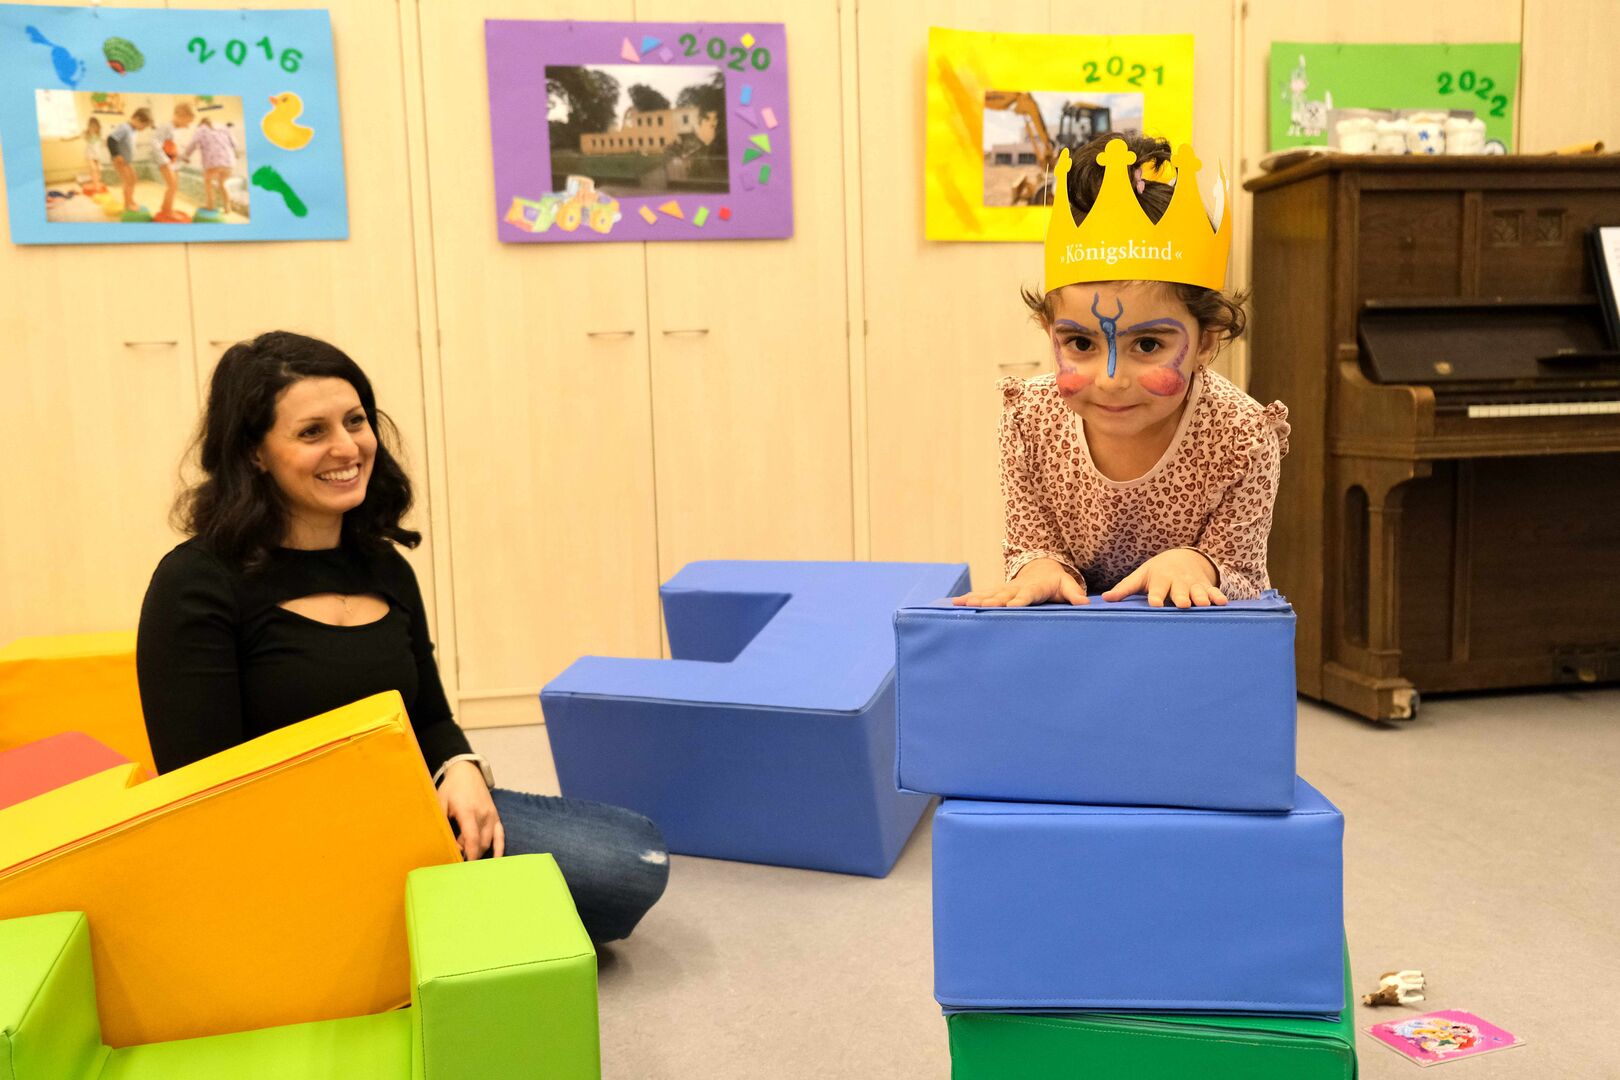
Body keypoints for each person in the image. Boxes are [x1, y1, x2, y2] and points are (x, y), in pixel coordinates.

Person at [137, 331, 669, 943]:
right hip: (286, 846)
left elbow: (429, 716)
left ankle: (412, 924)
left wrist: (461, 769)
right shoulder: (197, 581)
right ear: (255, 453)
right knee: (605, 873)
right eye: (312, 432)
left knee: (633, 856)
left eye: (355, 421)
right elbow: (203, 791)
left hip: (406, 810)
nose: (347, 447)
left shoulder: (383, 566)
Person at [954, 131, 1289, 611]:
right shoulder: (1029, 420)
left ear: (1206, 341)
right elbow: (1032, 544)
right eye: (1080, 343)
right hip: (1079, 635)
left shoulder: (1243, 436)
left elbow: (1242, 571)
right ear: (1049, 331)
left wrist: (1196, 564)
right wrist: (1039, 568)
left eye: (1148, 344)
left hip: (1189, 636)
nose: (1111, 379)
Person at [181, 116, 237, 213]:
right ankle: (227, 207)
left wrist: (186, 156)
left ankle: (210, 205)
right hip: (229, 162)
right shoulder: (223, 128)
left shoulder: (200, 130)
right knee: (222, 184)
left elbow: (192, 144)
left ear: (201, 124)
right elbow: (235, 144)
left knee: (208, 182)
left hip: (213, 162)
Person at [106, 109, 146, 211]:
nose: (143, 129)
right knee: (128, 181)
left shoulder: (133, 130)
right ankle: (127, 204)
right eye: (143, 126)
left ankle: (130, 200)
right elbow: (110, 140)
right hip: (119, 160)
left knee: (133, 179)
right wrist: (116, 155)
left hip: (126, 161)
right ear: (137, 119)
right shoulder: (125, 127)